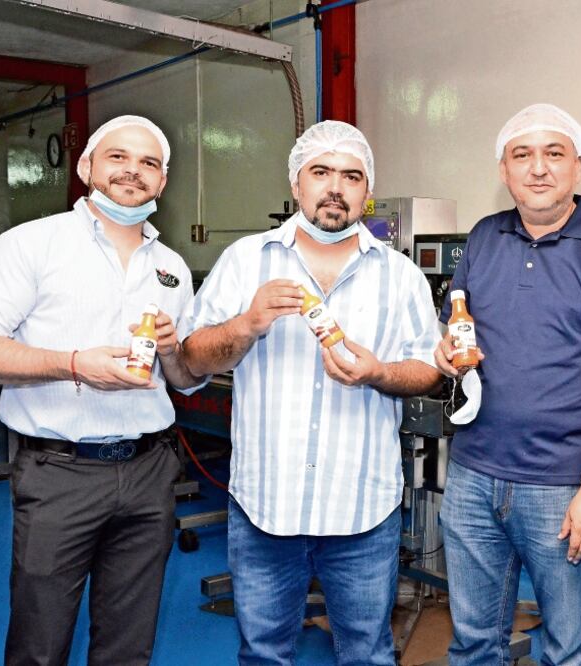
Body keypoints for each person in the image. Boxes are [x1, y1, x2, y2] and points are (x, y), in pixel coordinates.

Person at [181, 120, 441, 665]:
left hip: (363, 511)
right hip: (265, 508)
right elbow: (191, 360)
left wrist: (379, 374)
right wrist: (246, 325)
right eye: (320, 172)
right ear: (296, 184)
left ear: (367, 193)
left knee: (368, 653)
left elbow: (428, 371)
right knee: (264, 653)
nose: (335, 187)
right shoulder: (245, 262)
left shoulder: (400, 276)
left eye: (351, 176)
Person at [0, 115, 204, 666]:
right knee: (40, 646)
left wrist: (169, 351)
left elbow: (183, 380)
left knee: (128, 645)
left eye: (149, 163)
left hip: (149, 472)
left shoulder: (172, 269)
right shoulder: (32, 245)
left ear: (162, 182)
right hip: (58, 473)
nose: (132, 171)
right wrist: (72, 365)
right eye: (117, 157)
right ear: (87, 167)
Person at [434, 103, 581, 664]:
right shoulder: (483, 237)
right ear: (504, 172)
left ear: (578, 167)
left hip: (562, 486)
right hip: (473, 477)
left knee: (570, 652)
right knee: (474, 644)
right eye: (521, 155)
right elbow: (461, 333)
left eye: (554, 153)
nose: (538, 168)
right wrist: (446, 353)